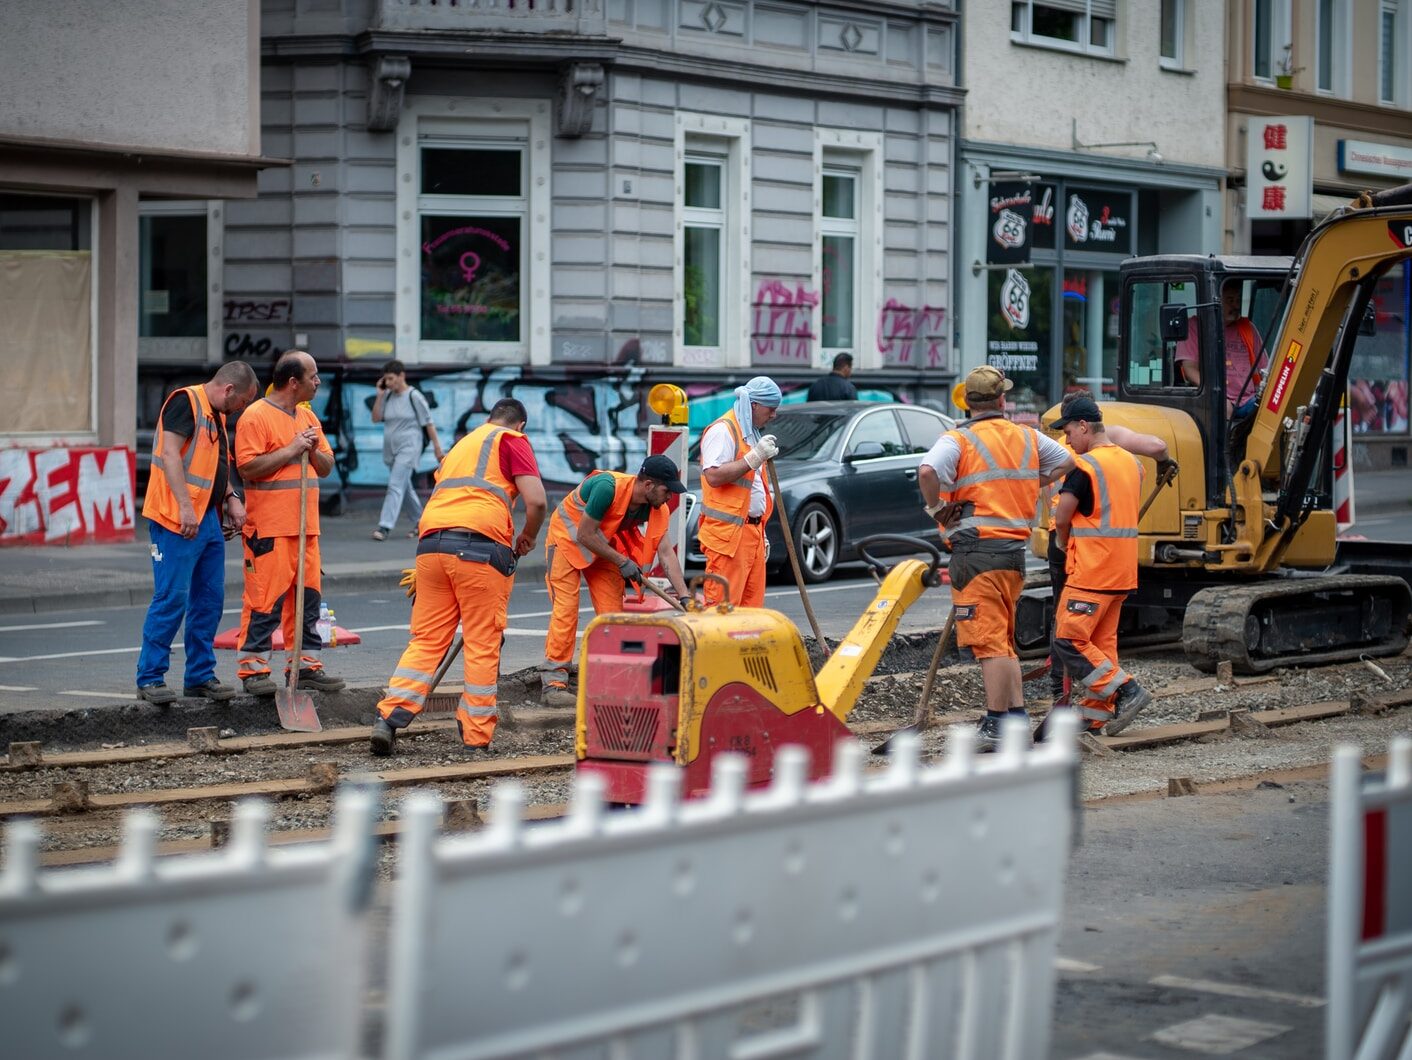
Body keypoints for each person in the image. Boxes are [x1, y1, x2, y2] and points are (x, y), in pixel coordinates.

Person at [371, 399, 547, 754]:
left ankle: (388, 719)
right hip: (481, 549)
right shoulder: (512, 440)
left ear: (489, 418)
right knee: (482, 643)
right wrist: (528, 535)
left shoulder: (460, 446)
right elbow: (537, 501)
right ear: (521, 424)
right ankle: (475, 736)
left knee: (426, 640)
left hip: (432, 546)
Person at [917, 365, 1073, 752]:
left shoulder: (958, 440)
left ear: (967, 402)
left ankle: (996, 723)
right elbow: (1067, 462)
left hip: (976, 552)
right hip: (1012, 553)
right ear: (1002, 400)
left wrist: (936, 509)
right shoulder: (1027, 437)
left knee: (988, 645)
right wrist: (1027, 483)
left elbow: (926, 471)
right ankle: (1016, 719)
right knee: (1003, 642)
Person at [135, 362, 261, 704]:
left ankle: (200, 676)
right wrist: (185, 508)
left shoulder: (215, 414)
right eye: (239, 405)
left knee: (208, 600)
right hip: (175, 517)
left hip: (205, 517)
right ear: (229, 390)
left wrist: (232, 498)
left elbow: (218, 465)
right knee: (171, 597)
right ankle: (150, 678)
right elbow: (169, 455)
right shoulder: (185, 402)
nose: (238, 413)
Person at [1043, 390, 1176, 707]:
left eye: (1069, 431)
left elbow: (1063, 516)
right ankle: (1097, 715)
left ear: (1084, 426)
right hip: (1122, 571)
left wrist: (1063, 542)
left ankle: (1126, 690)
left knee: (1067, 638)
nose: (1068, 438)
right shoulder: (1131, 463)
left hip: (1091, 570)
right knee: (1102, 644)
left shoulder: (1084, 466)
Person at [538, 455, 693, 707]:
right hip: (565, 540)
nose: (669, 497)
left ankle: (607, 678)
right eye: (667, 490)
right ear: (649, 485)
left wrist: (684, 595)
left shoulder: (657, 508)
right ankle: (553, 684)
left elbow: (665, 553)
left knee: (612, 615)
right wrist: (622, 562)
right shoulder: (607, 487)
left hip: (602, 545)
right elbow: (585, 533)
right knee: (566, 610)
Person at [234, 351, 346, 696]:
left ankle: (306, 666)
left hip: (306, 529)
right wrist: (292, 447)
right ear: (293, 382)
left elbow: (326, 466)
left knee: (308, 602)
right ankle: (253, 672)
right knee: (264, 602)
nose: (318, 382)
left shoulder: (308, 417)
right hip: (270, 529)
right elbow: (247, 467)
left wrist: (310, 449)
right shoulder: (255, 417)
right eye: (313, 376)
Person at [698, 376, 782, 607]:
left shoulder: (750, 433)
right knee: (722, 612)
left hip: (750, 534)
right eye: (771, 409)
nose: (773, 415)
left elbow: (753, 488)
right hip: (728, 538)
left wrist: (761, 532)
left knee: (750, 613)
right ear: (754, 404)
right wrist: (754, 458)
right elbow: (713, 476)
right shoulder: (723, 431)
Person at [370, 359, 444, 542]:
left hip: (410, 447)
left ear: (402, 376)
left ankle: (384, 526)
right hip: (391, 449)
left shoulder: (414, 396)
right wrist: (379, 395)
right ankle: (421, 522)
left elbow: (428, 423)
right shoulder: (387, 396)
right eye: (385, 379)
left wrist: (437, 447)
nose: (388, 383)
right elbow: (376, 418)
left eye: (391, 378)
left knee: (395, 485)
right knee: (404, 486)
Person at [1175, 280, 1263, 416]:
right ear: (1215, 301)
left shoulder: (1248, 328)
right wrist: (1217, 396)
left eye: (1238, 300)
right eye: (1230, 300)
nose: (1236, 305)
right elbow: (1189, 369)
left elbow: (1265, 368)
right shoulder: (1195, 327)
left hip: (1249, 400)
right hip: (1212, 398)